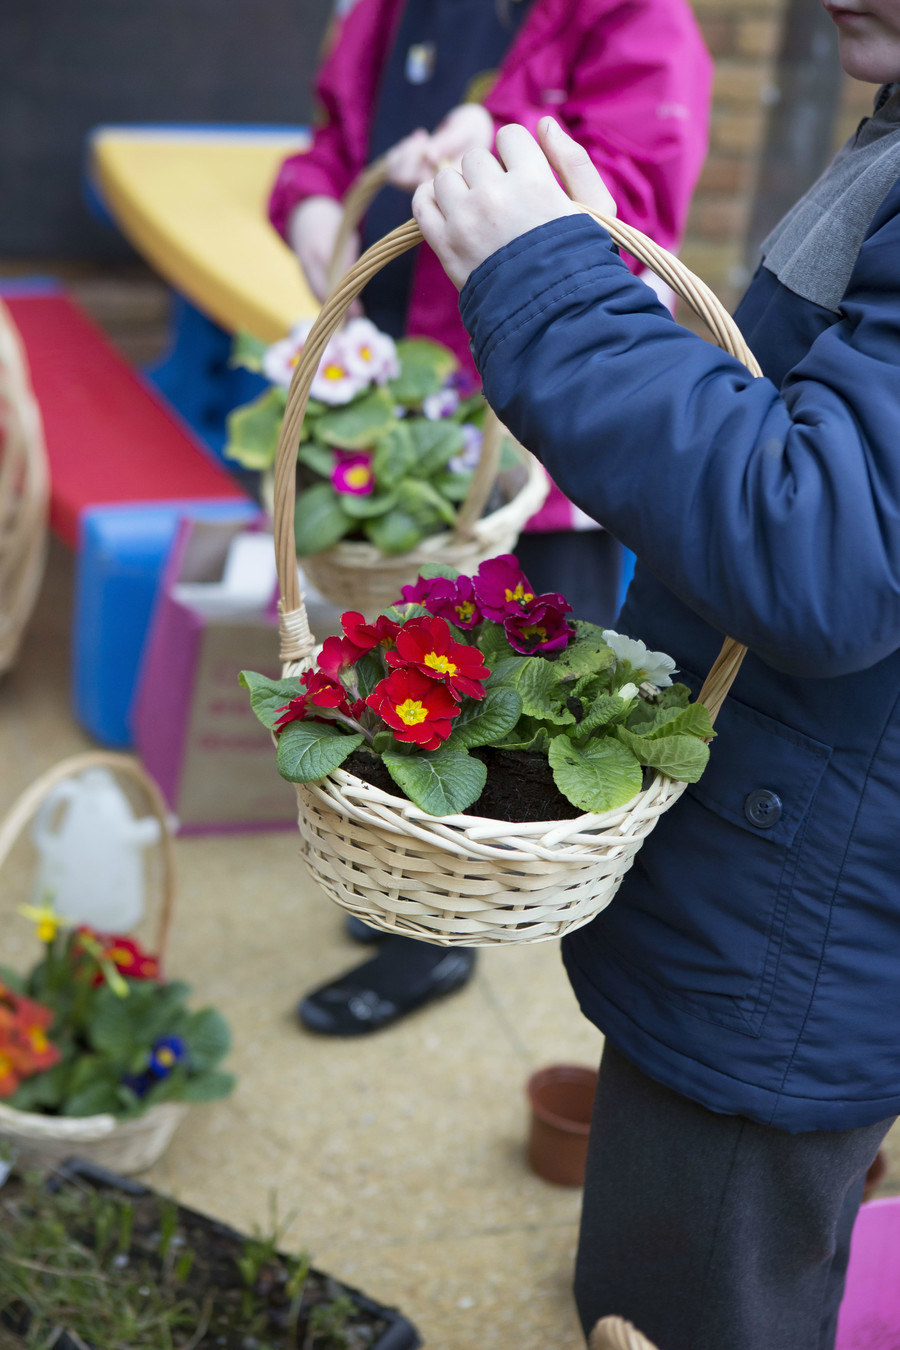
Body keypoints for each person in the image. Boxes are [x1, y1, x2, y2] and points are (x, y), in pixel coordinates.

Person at [410, 2, 900, 1346]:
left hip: (802, 913)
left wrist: (549, 292)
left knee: (687, 1301)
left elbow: (824, 545)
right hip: (814, 859)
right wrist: (602, 286)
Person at [269, 0, 712, 1036]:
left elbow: (634, 213)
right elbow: (326, 154)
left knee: (505, 699)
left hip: (535, 441)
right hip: (410, 407)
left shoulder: (636, 16)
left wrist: (504, 171)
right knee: (405, 669)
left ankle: (441, 936)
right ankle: (408, 887)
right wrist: (312, 217)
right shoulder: (387, 10)